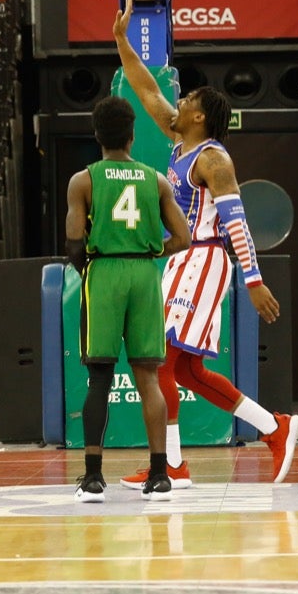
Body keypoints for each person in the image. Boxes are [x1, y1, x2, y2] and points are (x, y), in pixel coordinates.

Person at [112, 0, 298, 489]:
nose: (177, 103)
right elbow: (146, 89)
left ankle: (171, 464)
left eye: (187, 100)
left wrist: (254, 281)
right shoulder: (181, 145)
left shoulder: (214, 160)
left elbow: (238, 223)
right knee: (189, 371)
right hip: (183, 261)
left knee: (157, 359)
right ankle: (273, 427)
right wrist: (121, 41)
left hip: (205, 258)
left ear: (198, 115)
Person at [64, 97, 192, 502]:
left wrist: (92, 272)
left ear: (97, 135)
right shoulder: (156, 181)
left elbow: (73, 242)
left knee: (100, 377)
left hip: (104, 272)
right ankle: (160, 475)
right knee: (149, 377)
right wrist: (151, 251)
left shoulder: (83, 181)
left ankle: (92, 478)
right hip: (143, 274)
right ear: (133, 136)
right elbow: (184, 237)